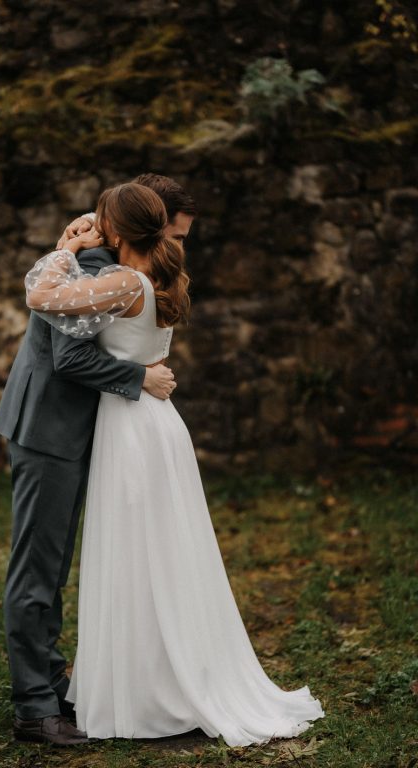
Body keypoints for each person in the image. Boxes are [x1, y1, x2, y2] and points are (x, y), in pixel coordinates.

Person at [25, 182, 325, 745]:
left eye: (104, 222)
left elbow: (41, 296)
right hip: (149, 422)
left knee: (139, 554)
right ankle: (150, 678)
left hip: (133, 428)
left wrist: (66, 247)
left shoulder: (123, 282)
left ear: (118, 231)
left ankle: (149, 688)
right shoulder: (159, 277)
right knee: (156, 554)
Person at [0, 175, 197, 746]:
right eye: (174, 234)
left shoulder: (110, 261)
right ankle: (34, 708)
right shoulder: (93, 265)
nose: (175, 246)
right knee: (38, 568)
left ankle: (51, 679)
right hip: (48, 428)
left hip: (79, 430)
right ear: (146, 223)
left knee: (55, 564)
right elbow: (68, 357)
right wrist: (140, 376)